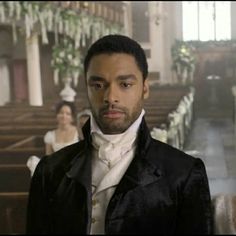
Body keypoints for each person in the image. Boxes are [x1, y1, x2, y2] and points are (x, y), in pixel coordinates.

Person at [26, 34, 213, 234]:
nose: (110, 97)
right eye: (98, 85)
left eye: (125, 84)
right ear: (87, 88)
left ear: (145, 88)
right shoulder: (49, 171)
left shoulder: (184, 173)